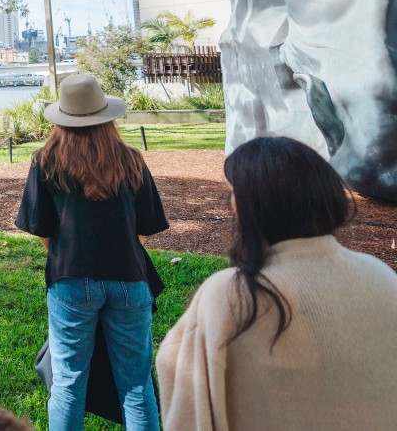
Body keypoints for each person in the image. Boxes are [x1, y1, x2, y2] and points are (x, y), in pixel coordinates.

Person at [157, 137, 397, 431]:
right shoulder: (381, 275)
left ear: (255, 206)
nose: (231, 204)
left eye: (233, 195)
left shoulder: (230, 295)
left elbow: (182, 381)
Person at [14, 74, 169, 431]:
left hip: (69, 282)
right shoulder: (130, 160)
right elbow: (145, 228)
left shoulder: (46, 161)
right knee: (136, 384)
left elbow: (42, 230)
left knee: (68, 384)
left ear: (62, 119)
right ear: (107, 117)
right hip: (130, 280)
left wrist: (70, 254)